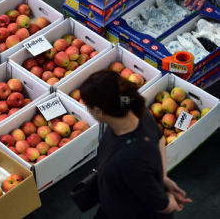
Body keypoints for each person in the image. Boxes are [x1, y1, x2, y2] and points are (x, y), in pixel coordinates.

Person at [79, 70, 192, 219]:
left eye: (88, 107)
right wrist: (162, 177)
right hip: (117, 199)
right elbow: (160, 140)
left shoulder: (129, 159)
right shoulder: (138, 112)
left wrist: (171, 201)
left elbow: (162, 205)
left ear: (98, 111)